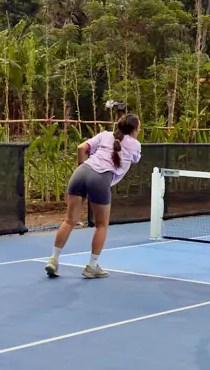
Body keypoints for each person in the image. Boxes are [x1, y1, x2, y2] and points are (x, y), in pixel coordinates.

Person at [45, 114, 142, 278]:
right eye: (139, 127)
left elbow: (81, 148)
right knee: (101, 225)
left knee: (69, 220)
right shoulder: (135, 145)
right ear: (135, 129)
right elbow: (135, 159)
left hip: (81, 172)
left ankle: (53, 260)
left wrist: (81, 167)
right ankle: (92, 266)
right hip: (100, 178)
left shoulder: (104, 135)